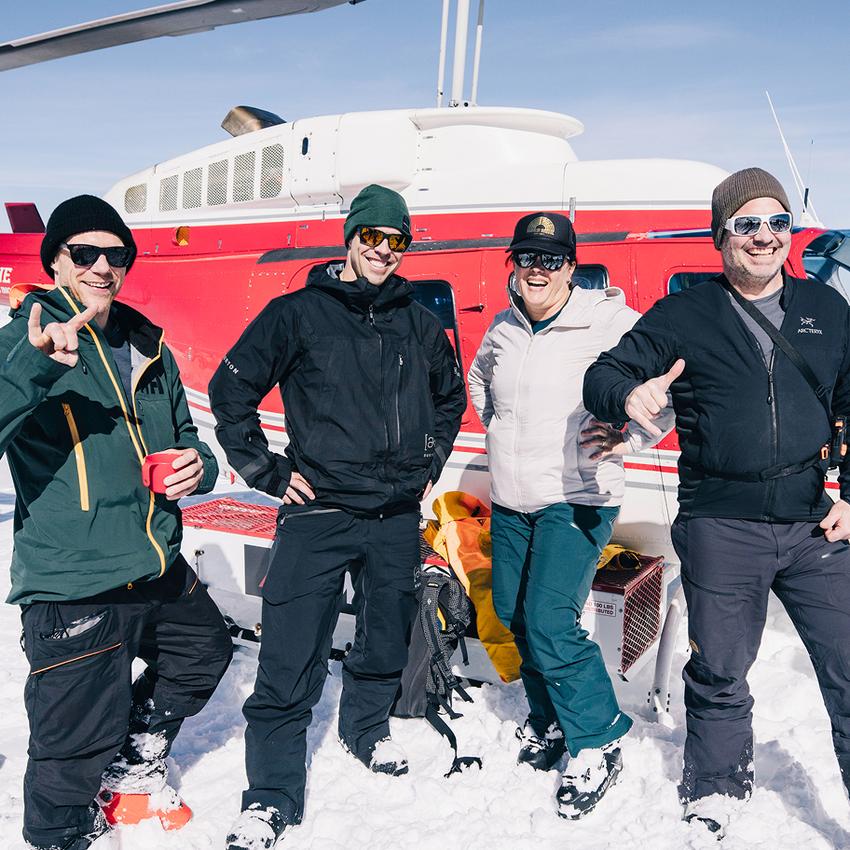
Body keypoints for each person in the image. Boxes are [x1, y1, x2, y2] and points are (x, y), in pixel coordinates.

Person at [583, 168, 850, 837]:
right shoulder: (686, 313)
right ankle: (718, 784)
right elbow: (604, 373)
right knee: (722, 667)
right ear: (720, 235)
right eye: (747, 224)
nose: (764, 237)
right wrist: (626, 396)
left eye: (777, 222)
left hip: (813, 519)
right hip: (720, 523)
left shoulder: (827, 310)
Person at [209, 184, 466, 849]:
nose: (383, 250)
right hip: (318, 512)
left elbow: (450, 396)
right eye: (372, 236)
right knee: (290, 658)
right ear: (350, 238)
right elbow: (229, 389)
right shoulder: (297, 313)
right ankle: (269, 796)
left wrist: (429, 461)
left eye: (396, 240)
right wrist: (265, 470)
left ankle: (366, 730)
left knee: (385, 640)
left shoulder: (418, 321)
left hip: (394, 517)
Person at [0, 195, 232, 850]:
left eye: (116, 254)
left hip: (154, 561)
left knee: (201, 653)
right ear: (55, 261)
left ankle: (132, 766)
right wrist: (36, 365)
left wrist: (200, 465)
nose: (102, 266)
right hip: (75, 577)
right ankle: (62, 836)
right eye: (85, 253)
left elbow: (190, 439)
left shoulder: (146, 342)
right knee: (71, 750)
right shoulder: (27, 338)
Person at [467, 212, 673, 819]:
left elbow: (666, 393)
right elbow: (482, 385)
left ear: (571, 267)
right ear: (514, 264)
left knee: (550, 619)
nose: (537, 268)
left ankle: (599, 733)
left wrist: (632, 439)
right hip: (512, 497)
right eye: (526, 257)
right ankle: (550, 718)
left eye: (551, 259)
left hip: (578, 497)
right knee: (509, 613)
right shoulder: (502, 329)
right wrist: (505, 431)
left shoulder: (609, 322)